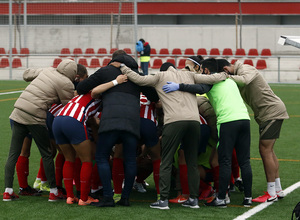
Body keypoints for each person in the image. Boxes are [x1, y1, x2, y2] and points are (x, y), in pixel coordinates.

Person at [110, 60, 227, 210]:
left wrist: (122, 66)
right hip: (194, 121)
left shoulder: (160, 76)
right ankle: (193, 200)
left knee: (165, 160)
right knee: (192, 162)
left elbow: (138, 78)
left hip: (174, 121)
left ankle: (163, 200)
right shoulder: (189, 75)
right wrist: (226, 74)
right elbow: (212, 78)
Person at [162, 58, 253, 208]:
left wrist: (179, 86)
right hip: (244, 119)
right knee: (245, 161)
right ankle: (248, 198)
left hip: (227, 121)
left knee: (224, 161)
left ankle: (222, 198)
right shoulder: (230, 81)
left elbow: (200, 89)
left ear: (206, 71)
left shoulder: (212, 81)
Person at [76, 50, 155, 207]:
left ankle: (108, 197)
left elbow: (82, 88)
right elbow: (154, 96)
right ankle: (125, 198)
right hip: (132, 122)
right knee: (131, 160)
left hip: (110, 119)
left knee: (101, 157)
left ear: (113, 61)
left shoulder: (106, 71)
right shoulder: (135, 75)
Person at [3, 59, 77, 202]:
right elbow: (68, 106)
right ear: (72, 73)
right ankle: (54, 191)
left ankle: (8, 191)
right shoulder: (66, 83)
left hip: (18, 110)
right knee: (47, 153)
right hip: (35, 116)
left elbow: (26, 75)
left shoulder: (48, 70)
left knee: (13, 153)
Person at [53, 74, 128, 206]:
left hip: (58, 120)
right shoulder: (98, 96)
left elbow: (93, 121)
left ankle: (70, 197)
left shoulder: (80, 94)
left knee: (69, 159)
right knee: (87, 161)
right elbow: (96, 115)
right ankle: (83, 198)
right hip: (74, 120)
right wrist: (117, 81)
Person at [221, 59, 289, 203]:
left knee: (264, 150)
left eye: (224, 73)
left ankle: (271, 192)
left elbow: (245, 80)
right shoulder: (237, 77)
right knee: (269, 150)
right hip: (270, 113)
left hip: (271, 112)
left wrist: (225, 77)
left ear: (226, 68)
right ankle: (277, 189)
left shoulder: (245, 68)